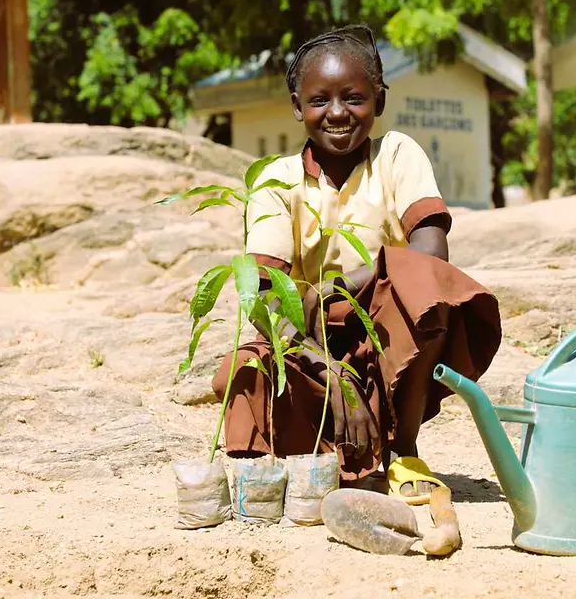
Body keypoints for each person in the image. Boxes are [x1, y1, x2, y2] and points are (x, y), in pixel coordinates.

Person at [211, 25, 502, 505]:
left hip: (389, 341)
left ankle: (403, 452)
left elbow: (431, 254)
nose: (338, 113)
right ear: (297, 106)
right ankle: (323, 455)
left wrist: (347, 284)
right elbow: (266, 297)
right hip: (306, 340)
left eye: (354, 97)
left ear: (380, 100)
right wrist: (328, 369)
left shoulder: (397, 155)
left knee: (424, 285)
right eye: (319, 100)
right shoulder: (275, 181)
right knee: (242, 370)